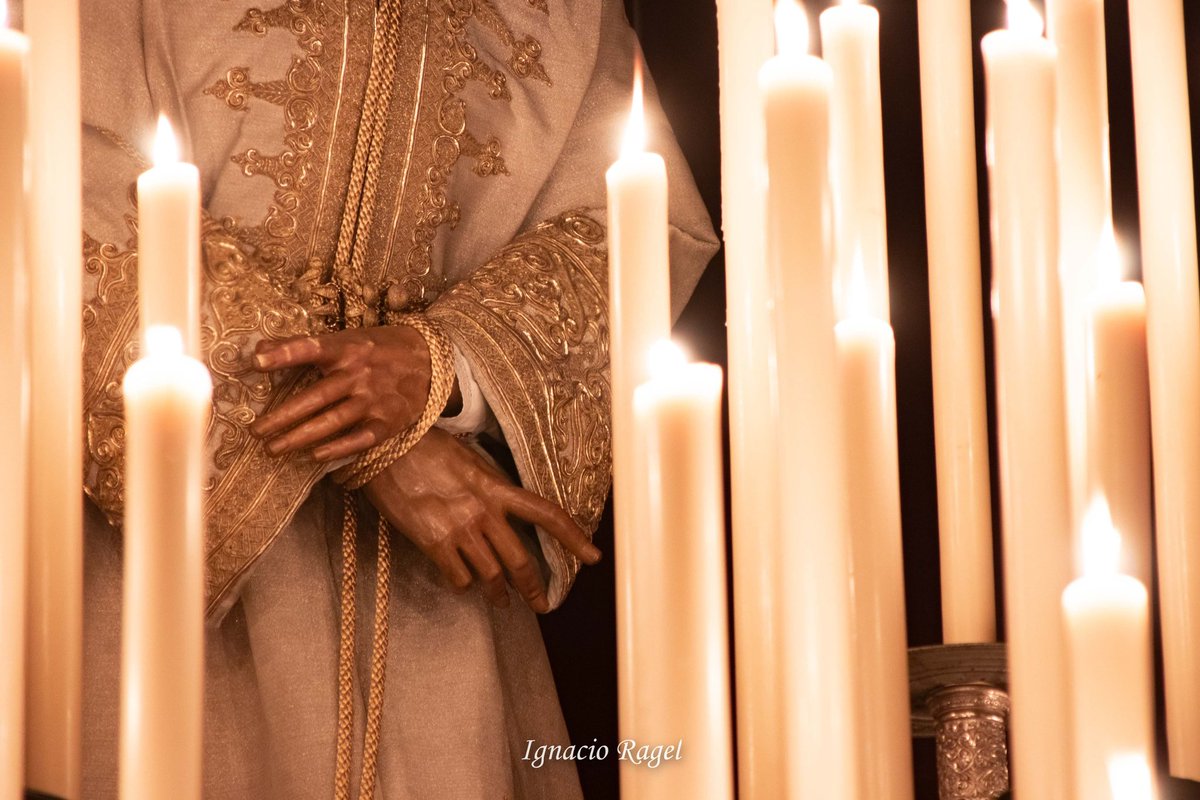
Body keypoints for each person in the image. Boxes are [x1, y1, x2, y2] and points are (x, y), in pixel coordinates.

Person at [74, 0, 717, 798]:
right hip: (153, 561)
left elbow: (631, 218)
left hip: (443, 587)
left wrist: (441, 367)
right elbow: (56, 183)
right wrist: (372, 439)